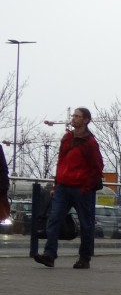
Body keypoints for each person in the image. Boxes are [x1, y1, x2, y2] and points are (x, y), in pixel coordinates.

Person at [33, 107, 103, 270]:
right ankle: (49, 255)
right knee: (54, 219)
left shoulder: (90, 143)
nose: (74, 118)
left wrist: (86, 187)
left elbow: (97, 167)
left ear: (86, 120)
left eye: (78, 116)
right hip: (63, 187)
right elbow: (61, 161)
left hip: (80, 189)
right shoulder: (67, 138)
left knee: (85, 224)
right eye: (74, 116)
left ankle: (84, 258)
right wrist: (56, 183)